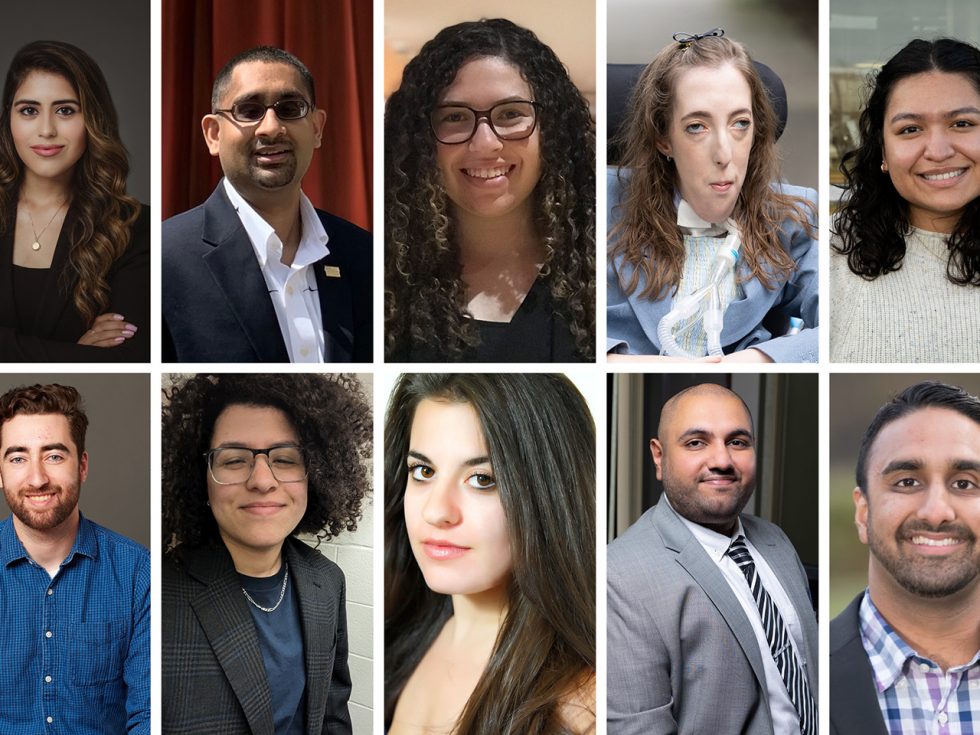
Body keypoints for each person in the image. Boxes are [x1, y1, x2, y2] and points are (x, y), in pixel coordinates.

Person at [384, 373, 595, 733]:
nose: (437, 511)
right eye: (423, 471)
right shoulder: (394, 635)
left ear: (548, 495)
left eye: (483, 479)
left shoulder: (580, 706)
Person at [161, 373, 372, 734]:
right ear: (202, 477)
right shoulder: (158, 593)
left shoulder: (327, 581)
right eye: (234, 460)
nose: (262, 480)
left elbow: (332, 713)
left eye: (286, 459)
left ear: (315, 473)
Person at [607, 383, 818, 734]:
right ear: (659, 456)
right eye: (696, 442)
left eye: (737, 442)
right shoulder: (620, 578)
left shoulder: (776, 542)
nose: (722, 461)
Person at [384, 19, 596, 362]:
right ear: (420, 139)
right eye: (455, 117)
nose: (485, 143)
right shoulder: (383, 281)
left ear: (552, 129)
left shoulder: (600, 271)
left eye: (511, 114)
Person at [607, 32, 818, 363]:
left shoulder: (793, 219)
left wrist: (755, 360)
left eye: (740, 124)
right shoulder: (604, 204)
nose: (724, 154)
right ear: (664, 138)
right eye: (696, 127)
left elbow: (841, 330)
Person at [162, 46, 372, 363]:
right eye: (249, 110)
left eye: (290, 108)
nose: (272, 127)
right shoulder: (164, 258)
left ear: (316, 128)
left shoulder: (363, 254)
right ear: (213, 134)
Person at [830, 381, 980, 733]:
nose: (936, 512)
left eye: (965, 483)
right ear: (863, 513)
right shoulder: (803, 667)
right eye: (907, 482)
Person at [0, 383, 149, 733]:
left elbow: (148, 714)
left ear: (82, 466)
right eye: (18, 458)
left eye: (54, 456)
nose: (37, 478)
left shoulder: (138, 573)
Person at [831, 39, 980, 362]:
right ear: (883, 149)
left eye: (963, 124)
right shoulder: (829, 254)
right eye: (911, 129)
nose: (938, 152)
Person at [0, 41, 149, 362]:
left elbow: (130, 357)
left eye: (65, 110)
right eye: (29, 110)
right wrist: (77, 353)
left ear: (93, 120)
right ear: (8, 120)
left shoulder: (135, 228)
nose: (46, 130)